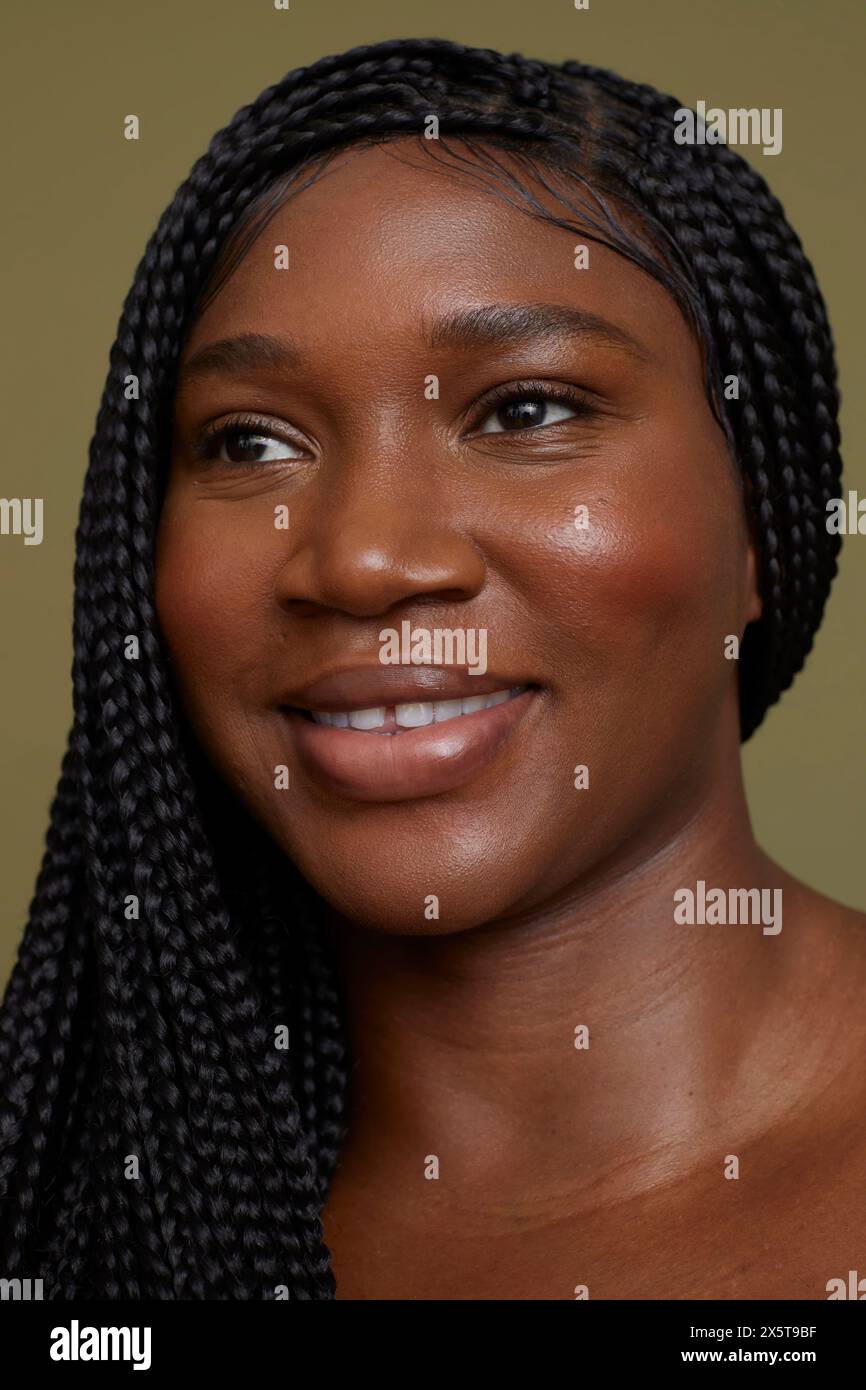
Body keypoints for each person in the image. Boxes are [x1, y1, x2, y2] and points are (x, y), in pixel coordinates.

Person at [1, 36, 863, 1301]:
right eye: (248, 440)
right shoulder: (68, 1217)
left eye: (522, 410)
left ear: (758, 525)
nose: (360, 561)